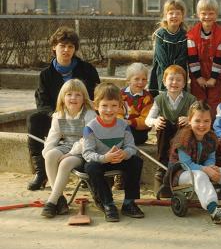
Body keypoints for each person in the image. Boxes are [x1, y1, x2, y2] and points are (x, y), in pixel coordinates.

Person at [27, 26, 100, 191]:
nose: (66, 50)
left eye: (70, 47)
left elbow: (98, 94)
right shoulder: (46, 75)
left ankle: (86, 167)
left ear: (75, 49)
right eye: (62, 46)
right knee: (34, 120)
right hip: (58, 115)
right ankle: (41, 172)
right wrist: (57, 114)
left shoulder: (87, 70)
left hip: (84, 115)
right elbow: (42, 101)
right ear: (54, 47)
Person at [82, 83, 144, 222]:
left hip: (119, 159)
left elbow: (131, 147)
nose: (109, 110)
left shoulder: (123, 125)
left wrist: (124, 154)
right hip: (101, 161)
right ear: (96, 106)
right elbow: (87, 153)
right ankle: (108, 204)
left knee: (136, 161)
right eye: (104, 106)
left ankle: (129, 202)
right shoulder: (90, 128)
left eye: (114, 106)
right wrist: (105, 158)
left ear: (120, 106)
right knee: (91, 167)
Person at [40, 79, 97, 218]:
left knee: (66, 162)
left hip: (83, 150)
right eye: (69, 94)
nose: (73, 98)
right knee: (50, 155)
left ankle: (52, 202)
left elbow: (87, 140)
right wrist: (48, 154)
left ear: (84, 98)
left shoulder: (90, 115)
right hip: (66, 146)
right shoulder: (59, 115)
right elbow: (52, 138)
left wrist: (71, 153)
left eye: (78, 95)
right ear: (62, 97)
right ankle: (59, 199)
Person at [145, 65, 196, 189]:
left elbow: (198, 118)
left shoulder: (190, 99)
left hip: (181, 136)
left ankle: (179, 162)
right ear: (164, 82)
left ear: (184, 83)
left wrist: (189, 120)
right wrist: (155, 121)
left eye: (179, 80)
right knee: (163, 123)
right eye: (171, 79)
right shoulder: (159, 99)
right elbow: (148, 120)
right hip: (165, 136)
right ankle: (162, 164)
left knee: (182, 122)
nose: (174, 83)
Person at [187, 0, 221, 118]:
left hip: (215, 75)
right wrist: (198, 77)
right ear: (198, 15)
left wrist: (213, 78)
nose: (207, 17)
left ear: (216, 15)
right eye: (204, 13)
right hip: (197, 73)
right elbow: (192, 58)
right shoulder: (192, 35)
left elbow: (220, 59)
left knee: (214, 102)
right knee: (198, 102)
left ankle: (211, 129)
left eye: (211, 13)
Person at [148, 0, 188, 96]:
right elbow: (161, 58)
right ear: (166, 16)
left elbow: (182, 56)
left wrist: (175, 73)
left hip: (179, 72)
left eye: (178, 13)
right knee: (162, 99)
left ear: (182, 17)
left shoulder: (185, 35)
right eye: (171, 13)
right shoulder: (160, 35)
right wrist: (169, 74)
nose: (174, 16)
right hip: (163, 72)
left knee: (178, 98)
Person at [119, 63, 153, 145]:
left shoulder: (147, 98)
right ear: (128, 81)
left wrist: (130, 122)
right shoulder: (121, 94)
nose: (140, 82)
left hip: (138, 129)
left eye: (144, 79)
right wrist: (120, 120)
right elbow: (117, 111)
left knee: (135, 137)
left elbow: (146, 120)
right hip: (120, 126)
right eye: (136, 79)